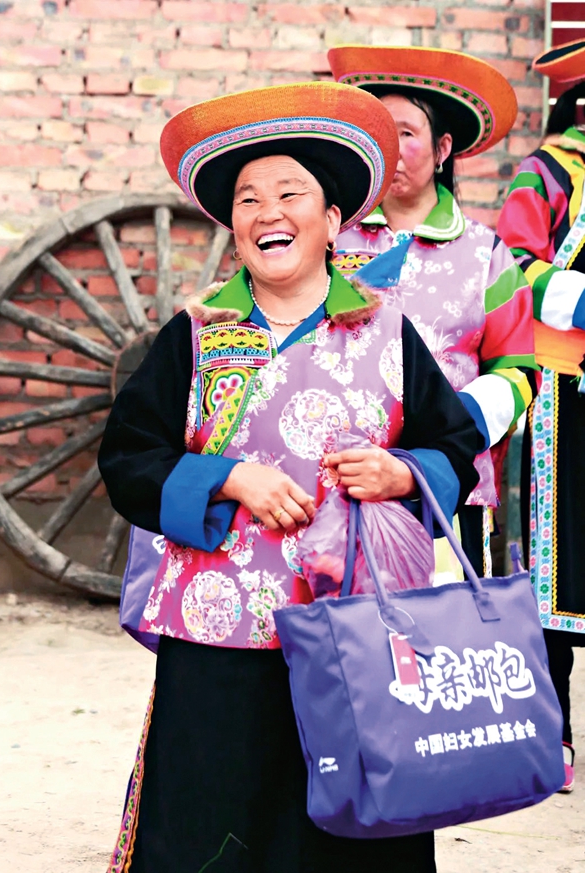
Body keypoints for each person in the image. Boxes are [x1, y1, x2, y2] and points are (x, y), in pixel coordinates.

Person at [99, 82, 483, 873]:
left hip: (362, 640)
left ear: (334, 220)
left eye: (289, 194)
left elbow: (454, 445)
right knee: (213, 823)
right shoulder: (198, 334)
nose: (267, 212)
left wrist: (400, 472)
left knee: (353, 836)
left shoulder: (385, 329)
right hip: (220, 637)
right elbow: (129, 458)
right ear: (233, 225)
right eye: (247, 199)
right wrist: (229, 478)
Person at [328, 46, 538, 577]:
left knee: (437, 636)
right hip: (339, 477)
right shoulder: (328, 239)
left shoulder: (484, 254)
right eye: (379, 134)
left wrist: (450, 430)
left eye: (406, 133)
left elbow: (518, 372)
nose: (391, 150)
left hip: (443, 486)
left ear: (443, 148)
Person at [497, 37, 585, 794]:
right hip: (567, 398)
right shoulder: (553, 171)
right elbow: (515, 263)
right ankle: (550, 730)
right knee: (554, 578)